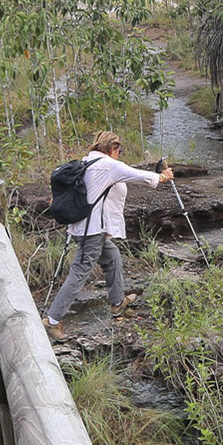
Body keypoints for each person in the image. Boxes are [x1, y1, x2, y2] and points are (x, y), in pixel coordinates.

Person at [44, 131, 174, 338]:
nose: (119, 154)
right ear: (112, 149)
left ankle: (117, 303)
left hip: (85, 227)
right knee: (80, 271)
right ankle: (53, 320)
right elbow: (137, 175)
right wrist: (162, 177)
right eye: (119, 150)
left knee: (112, 257)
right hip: (92, 230)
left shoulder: (87, 162)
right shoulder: (108, 165)